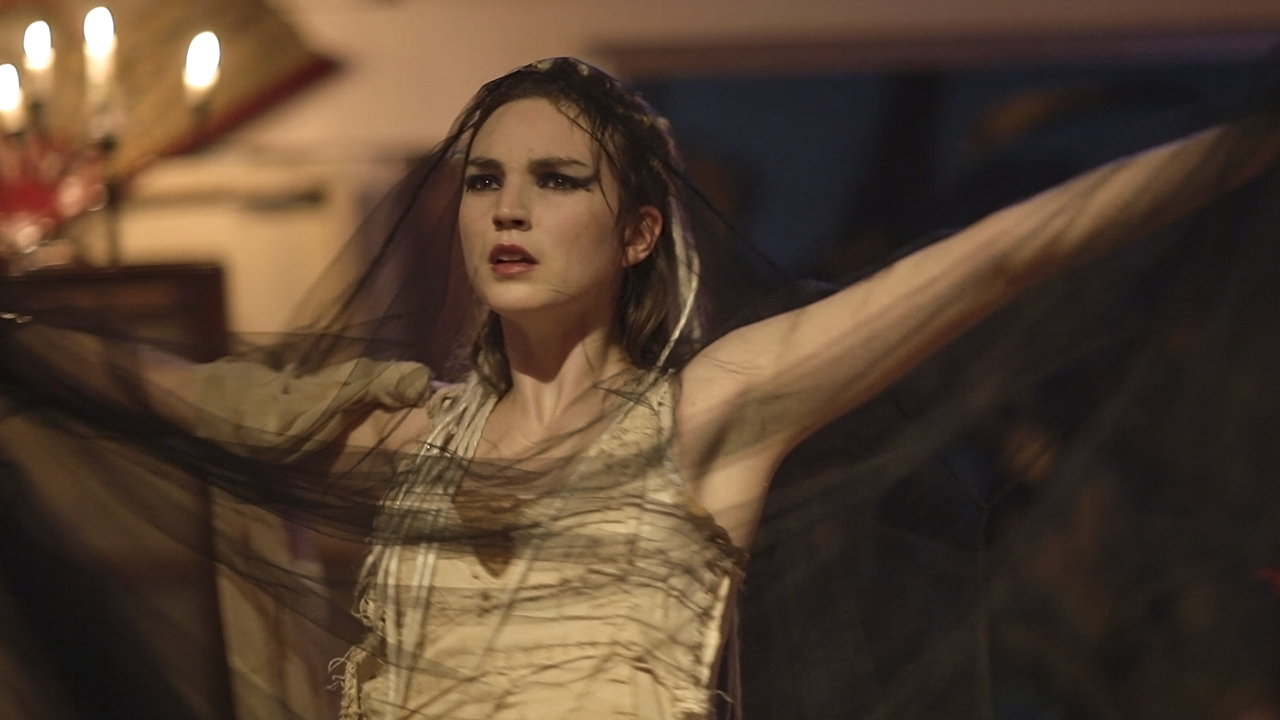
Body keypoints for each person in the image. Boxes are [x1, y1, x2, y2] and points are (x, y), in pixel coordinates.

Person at [3, 56, 1280, 720]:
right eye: (485, 181)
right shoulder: (402, 436)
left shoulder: (708, 410)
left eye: (554, 181)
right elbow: (167, 396)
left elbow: (1005, 256)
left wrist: (1250, 143)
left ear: (636, 233)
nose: (507, 210)